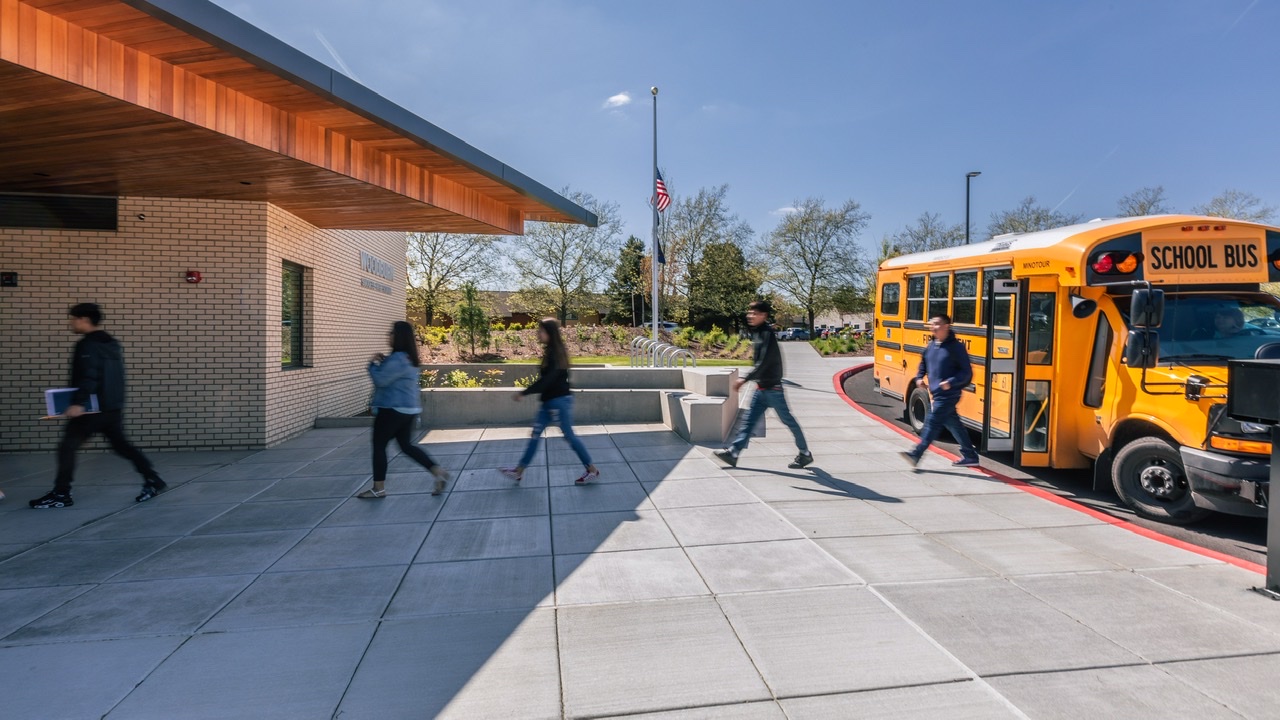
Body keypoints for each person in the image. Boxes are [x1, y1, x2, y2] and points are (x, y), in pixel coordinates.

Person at [29, 303, 165, 509]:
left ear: (83, 319)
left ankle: (61, 493)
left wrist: (78, 403)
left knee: (67, 447)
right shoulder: (111, 343)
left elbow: (90, 375)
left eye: (73, 318)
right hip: (111, 407)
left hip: (91, 409)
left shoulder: (87, 345)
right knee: (122, 446)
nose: (71, 322)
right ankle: (153, 479)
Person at [714, 300, 813, 469]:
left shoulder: (767, 333)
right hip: (761, 389)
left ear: (764, 316)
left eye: (754, 313)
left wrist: (744, 379)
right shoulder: (759, 332)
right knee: (748, 422)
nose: (749, 316)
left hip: (773, 390)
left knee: (788, 421)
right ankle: (733, 453)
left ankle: (805, 453)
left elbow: (764, 362)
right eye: (749, 312)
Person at [501, 318, 599, 485]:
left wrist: (524, 392)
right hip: (549, 402)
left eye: (541, 331)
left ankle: (592, 470)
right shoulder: (551, 351)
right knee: (535, 435)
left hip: (559, 402)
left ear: (549, 333)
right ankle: (519, 471)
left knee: (569, 436)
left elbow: (547, 381)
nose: (538, 333)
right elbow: (547, 381)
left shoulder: (555, 354)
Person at [358, 321, 448, 499]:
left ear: (398, 336)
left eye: (391, 333)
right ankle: (437, 471)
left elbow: (381, 380)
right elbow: (392, 375)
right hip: (409, 409)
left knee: (379, 446)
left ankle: (378, 489)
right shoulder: (408, 358)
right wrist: (384, 363)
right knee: (406, 446)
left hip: (391, 409)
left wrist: (372, 365)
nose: (388, 335)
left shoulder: (397, 358)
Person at [901, 313, 980, 469]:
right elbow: (924, 362)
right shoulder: (932, 346)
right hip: (936, 393)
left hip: (949, 394)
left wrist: (951, 382)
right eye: (932, 324)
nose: (933, 327)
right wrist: (919, 377)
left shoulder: (956, 348)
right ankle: (970, 456)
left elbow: (967, 373)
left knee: (932, 422)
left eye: (936, 324)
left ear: (946, 326)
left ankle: (916, 454)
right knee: (954, 424)